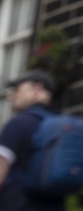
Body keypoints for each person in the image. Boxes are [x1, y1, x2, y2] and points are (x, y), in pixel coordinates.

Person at [1, 71, 66, 211]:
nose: (12, 96)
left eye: (17, 89)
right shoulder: (65, 127)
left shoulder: (18, 124)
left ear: (36, 89)